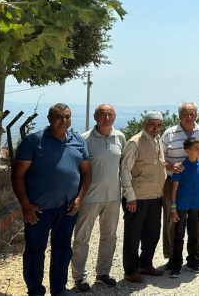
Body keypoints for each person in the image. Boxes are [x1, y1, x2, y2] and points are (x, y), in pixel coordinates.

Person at [12, 103, 92, 296]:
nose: (64, 121)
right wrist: (25, 205)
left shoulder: (78, 141)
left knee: (63, 249)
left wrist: (80, 198)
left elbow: (87, 172)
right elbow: (17, 176)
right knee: (35, 251)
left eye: (67, 117)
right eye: (59, 117)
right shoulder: (34, 141)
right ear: (49, 119)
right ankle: (35, 291)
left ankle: (59, 289)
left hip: (68, 208)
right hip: (38, 209)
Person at [72, 104, 126, 292]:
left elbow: (123, 166)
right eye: (102, 114)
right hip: (89, 197)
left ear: (114, 117)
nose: (106, 117)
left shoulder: (120, 137)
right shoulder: (84, 139)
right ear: (95, 116)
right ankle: (79, 278)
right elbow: (78, 168)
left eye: (109, 114)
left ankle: (103, 274)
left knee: (109, 237)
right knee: (81, 238)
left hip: (113, 197)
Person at [161, 102, 199, 267]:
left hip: (198, 180)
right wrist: (171, 166)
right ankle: (172, 255)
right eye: (186, 114)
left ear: (196, 115)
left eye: (192, 114)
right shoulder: (169, 134)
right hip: (173, 182)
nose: (189, 117)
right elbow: (160, 158)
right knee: (172, 219)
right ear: (179, 116)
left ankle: (198, 251)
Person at [120, 111, 167, 283]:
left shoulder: (158, 140)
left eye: (159, 125)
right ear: (144, 124)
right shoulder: (135, 142)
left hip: (155, 196)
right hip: (137, 197)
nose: (155, 128)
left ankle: (145, 264)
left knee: (152, 233)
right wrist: (129, 196)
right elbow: (125, 170)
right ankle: (131, 270)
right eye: (152, 124)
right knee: (133, 235)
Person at [169, 138, 199, 277]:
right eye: (197, 148)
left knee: (193, 233)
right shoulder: (180, 168)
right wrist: (173, 209)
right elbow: (173, 190)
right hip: (180, 206)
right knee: (179, 235)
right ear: (188, 151)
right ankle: (176, 264)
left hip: (196, 206)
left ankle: (192, 261)